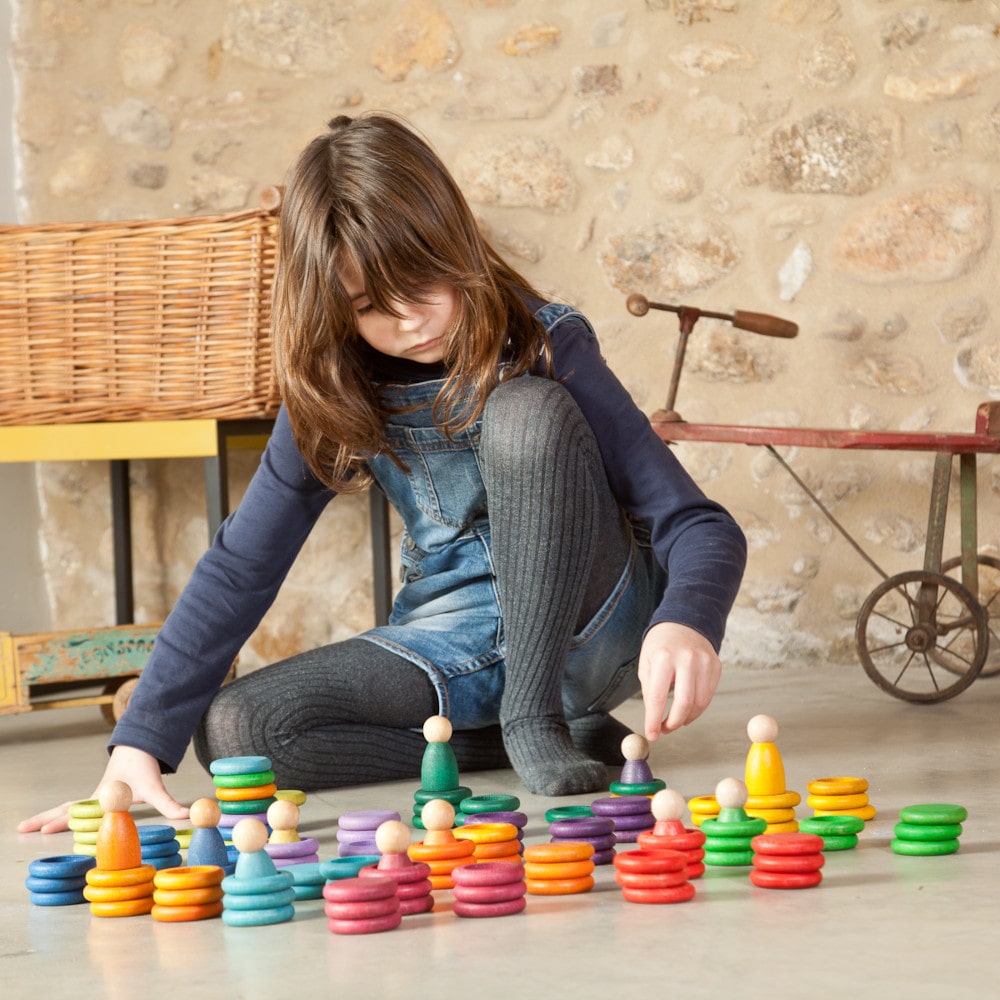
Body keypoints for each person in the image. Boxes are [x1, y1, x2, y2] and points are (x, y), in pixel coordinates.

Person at [19, 112, 746, 835]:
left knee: (527, 412)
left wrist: (687, 621)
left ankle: (535, 717)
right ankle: (547, 732)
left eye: (424, 280)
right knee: (239, 730)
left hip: (589, 630)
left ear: (455, 243)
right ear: (333, 303)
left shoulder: (544, 341)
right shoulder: (333, 384)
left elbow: (697, 524)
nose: (411, 320)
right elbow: (243, 563)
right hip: (452, 633)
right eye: (371, 305)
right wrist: (140, 741)